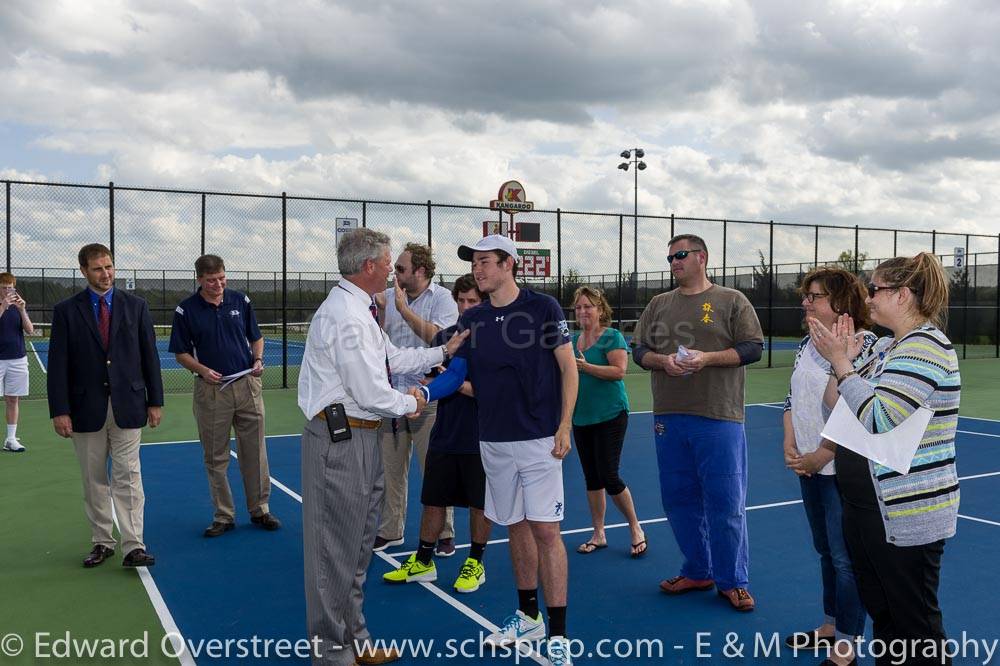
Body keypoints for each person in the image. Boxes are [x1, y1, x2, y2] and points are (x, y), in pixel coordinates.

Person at [297, 228, 468, 666]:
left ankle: (354, 642)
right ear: (369, 266)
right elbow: (373, 391)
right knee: (334, 552)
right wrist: (416, 400)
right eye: (389, 262)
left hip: (360, 436)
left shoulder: (360, 309)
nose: (394, 270)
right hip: (342, 440)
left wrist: (440, 352)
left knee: (355, 550)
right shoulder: (347, 316)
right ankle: (331, 655)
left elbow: (390, 358)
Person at [417, 234, 578, 666]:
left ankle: (558, 634)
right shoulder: (476, 320)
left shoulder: (543, 308)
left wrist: (564, 426)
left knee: (547, 531)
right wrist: (421, 395)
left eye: (485, 262)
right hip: (493, 441)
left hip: (540, 439)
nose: (477, 269)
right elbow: (455, 377)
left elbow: (568, 368)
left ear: (509, 264)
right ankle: (528, 616)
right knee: (517, 528)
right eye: (474, 263)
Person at [809, 253, 960, 666]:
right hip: (868, 509)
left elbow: (880, 418)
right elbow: (837, 408)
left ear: (904, 294)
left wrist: (843, 364)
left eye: (875, 289)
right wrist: (849, 361)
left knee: (916, 628)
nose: (868, 298)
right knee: (886, 618)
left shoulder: (926, 348)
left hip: (907, 513)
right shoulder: (891, 347)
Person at [632, 233, 763, 611]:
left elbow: (753, 347)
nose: (673, 262)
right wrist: (663, 361)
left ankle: (733, 580)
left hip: (719, 416)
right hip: (669, 417)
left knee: (726, 502)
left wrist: (707, 358)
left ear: (701, 257)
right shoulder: (658, 304)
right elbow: (639, 350)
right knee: (679, 500)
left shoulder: (731, 300)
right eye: (670, 256)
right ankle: (698, 570)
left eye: (681, 255)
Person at [781, 267, 877, 665]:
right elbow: (792, 399)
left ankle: (847, 645)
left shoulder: (866, 344)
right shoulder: (807, 342)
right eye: (806, 295)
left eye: (815, 296)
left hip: (841, 470)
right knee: (825, 551)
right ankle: (830, 624)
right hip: (809, 465)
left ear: (840, 303)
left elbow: (855, 409)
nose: (806, 301)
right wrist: (791, 442)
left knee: (845, 558)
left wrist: (825, 451)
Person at [47, 243, 162, 568]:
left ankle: (133, 545)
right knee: (94, 479)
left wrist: (155, 400)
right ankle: (102, 542)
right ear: (84, 271)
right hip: (85, 408)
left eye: (109, 266)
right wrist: (60, 410)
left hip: (129, 404)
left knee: (128, 475)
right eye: (98, 268)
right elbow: (58, 364)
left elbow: (149, 356)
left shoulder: (136, 306)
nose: (106, 274)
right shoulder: (67, 310)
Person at [383, 273, 492, 592]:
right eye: (461, 300)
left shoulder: (493, 341)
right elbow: (434, 372)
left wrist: (451, 385)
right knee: (433, 498)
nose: (465, 306)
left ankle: (475, 562)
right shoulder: (449, 336)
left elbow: (491, 391)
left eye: (472, 301)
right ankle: (423, 561)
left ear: (483, 302)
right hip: (445, 430)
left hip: (479, 433)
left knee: (479, 502)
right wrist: (432, 388)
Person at [169, 254, 280, 537]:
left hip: (247, 386)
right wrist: (203, 370)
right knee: (216, 457)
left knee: (255, 451)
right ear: (199, 280)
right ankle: (224, 515)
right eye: (211, 281)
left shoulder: (240, 301)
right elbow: (181, 353)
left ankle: (260, 509)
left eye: (221, 279)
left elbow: (256, 337)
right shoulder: (185, 310)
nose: (218, 285)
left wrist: (258, 359)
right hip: (212, 392)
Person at [373, 243, 458, 553]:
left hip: (428, 398)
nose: (395, 273)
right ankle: (391, 529)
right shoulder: (389, 300)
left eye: (401, 269)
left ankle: (444, 532)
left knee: (434, 469)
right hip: (393, 397)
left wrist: (404, 309)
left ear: (420, 271)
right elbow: (380, 343)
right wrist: (384, 311)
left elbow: (441, 340)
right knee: (391, 470)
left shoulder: (443, 299)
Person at [569, 286, 645, 558]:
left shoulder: (612, 337)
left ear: (600, 310)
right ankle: (598, 533)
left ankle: (636, 527)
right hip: (582, 417)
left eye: (588, 306)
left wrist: (585, 366)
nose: (583, 311)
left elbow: (619, 371)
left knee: (609, 476)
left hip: (611, 414)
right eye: (578, 307)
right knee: (592, 478)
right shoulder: (575, 340)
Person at [0, 272, 34, 452]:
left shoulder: (17, 306)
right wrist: (3, 307)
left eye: (10, 287)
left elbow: (29, 330)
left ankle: (11, 439)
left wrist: (22, 310)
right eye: (4, 287)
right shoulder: (4, 305)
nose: (7, 291)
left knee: (13, 399)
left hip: (17, 359)